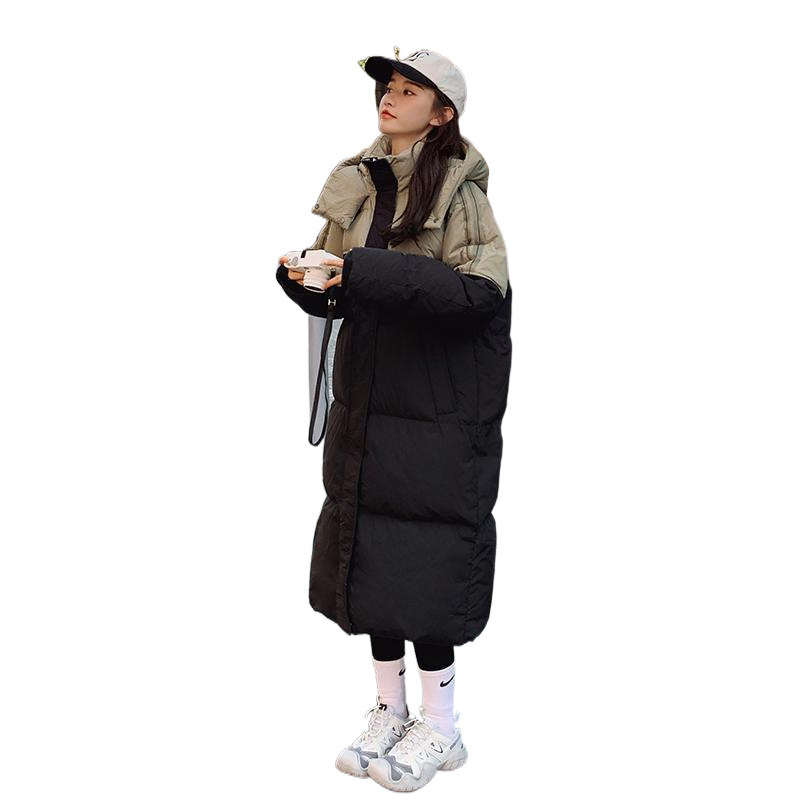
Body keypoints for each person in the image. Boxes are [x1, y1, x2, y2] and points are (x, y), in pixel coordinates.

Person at [276, 48, 512, 792]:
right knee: (371, 556)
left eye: (410, 90)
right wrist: (307, 279)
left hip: (437, 407)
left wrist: (365, 272)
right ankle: (390, 709)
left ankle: (442, 725)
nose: (391, 96)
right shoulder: (361, 179)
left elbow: (477, 295)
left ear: (441, 114)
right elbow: (347, 288)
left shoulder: (460, 193)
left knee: (428, 561)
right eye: (389, 86)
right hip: (368, 397)